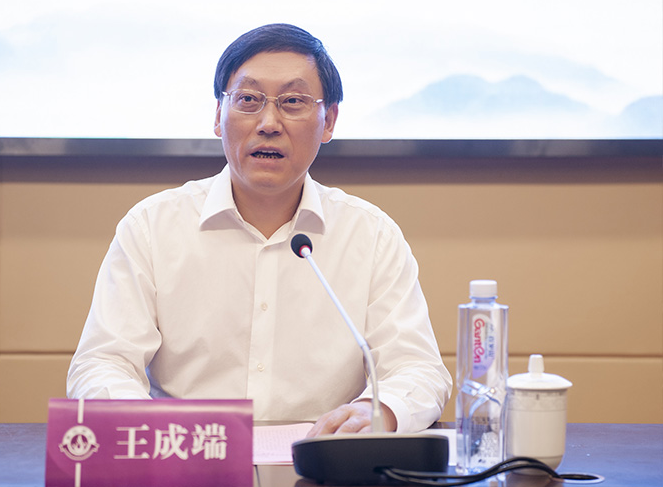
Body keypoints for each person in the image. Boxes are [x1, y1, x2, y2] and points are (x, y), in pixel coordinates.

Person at [67, 23, 452, 436]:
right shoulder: (152, 228)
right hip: (190, 456)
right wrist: (151, 429)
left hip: (323, 457)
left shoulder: (371, 236)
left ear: (328, 121)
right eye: (248, 100)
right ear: (218, 115)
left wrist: (377, 413)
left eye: (293, 102)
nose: (269, 123)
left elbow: (417, 367)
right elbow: (103, 363)